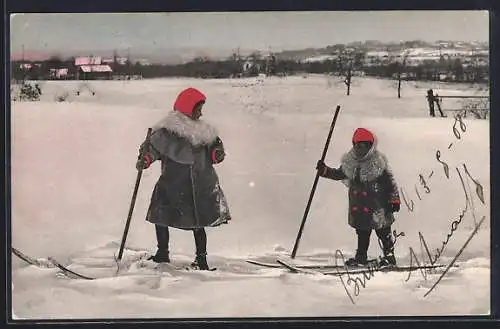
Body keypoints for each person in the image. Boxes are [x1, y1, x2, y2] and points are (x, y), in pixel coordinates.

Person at [136, 87, 231, 270]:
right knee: (161, 217)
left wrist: (217, 154)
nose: (201, 112)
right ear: (187, 107)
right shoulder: (166, 132)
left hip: (200, 184)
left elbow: (215, 151)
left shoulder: (205, 132)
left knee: (198, 223)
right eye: (198, 108)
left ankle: (201, 260)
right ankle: (162, 253)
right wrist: (145, 159)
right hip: (172, 184)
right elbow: (153, 149)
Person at [316, 127, 400, 267]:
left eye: (364, 145)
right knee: (362, 233)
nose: (361, 148)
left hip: (378, 205)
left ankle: (389, 256)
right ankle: (361, 257)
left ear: (371, 145)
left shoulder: (378, 162)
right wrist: (325, 171)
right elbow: (339, 174)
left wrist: (394, 199)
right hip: (360, 206)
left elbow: (390, 183)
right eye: (357, 145)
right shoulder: (350, 162)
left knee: (383, 231)